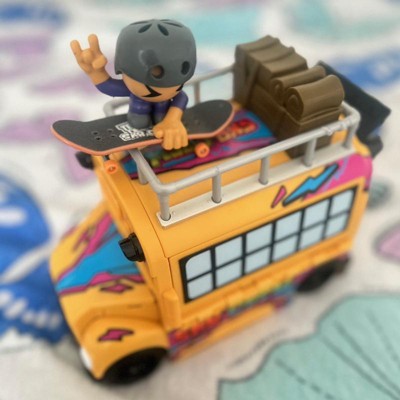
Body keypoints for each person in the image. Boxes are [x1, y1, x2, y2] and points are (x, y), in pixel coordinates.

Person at [70, 19, 197, 150]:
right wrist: (96, 73)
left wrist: (172, 119)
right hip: (138, 113)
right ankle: (142, 142)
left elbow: (181, 97)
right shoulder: (132, 88)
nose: (167, 89)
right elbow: (108, 86)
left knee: (160, 118)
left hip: (163, 112)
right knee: (138, 123)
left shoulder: (176, 95)